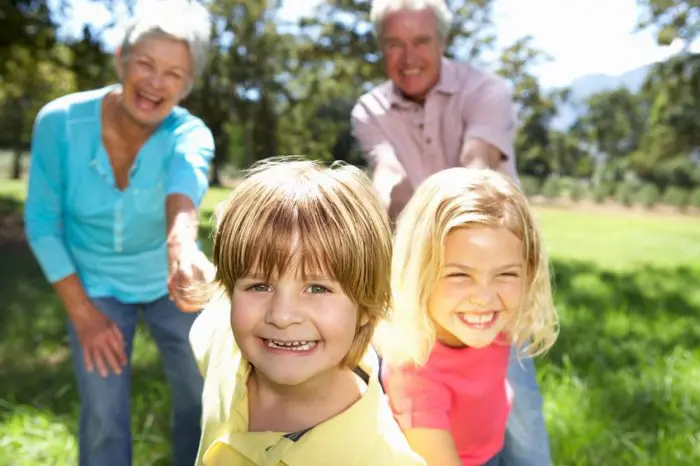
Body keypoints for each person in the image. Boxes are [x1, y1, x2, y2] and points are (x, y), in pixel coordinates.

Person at [351, 1, 553, 463]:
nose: (409, 57)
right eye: (394, 45)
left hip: (491, 257)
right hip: (433, 281)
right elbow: (386, 171)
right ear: (380, 49)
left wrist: (464, 217)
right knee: (424, 400)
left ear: (443, 42)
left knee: (517, 408)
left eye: (421, 41)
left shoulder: (488, 90)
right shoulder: (370, 109)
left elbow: (479, 160)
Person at [23, 2, 215, 465]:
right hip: (93, 285)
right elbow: (43, 223)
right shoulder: (60, 122)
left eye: (173, 73)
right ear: (120, 61)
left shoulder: (190, 135)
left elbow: (183, 195)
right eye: (145, 64)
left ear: (187, 86)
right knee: (105, 412)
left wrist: (181, 248)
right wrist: (83, 314)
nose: (154, 83)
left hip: (169, 282)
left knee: (202, 397)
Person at [187, 158, 426, 466]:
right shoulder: (223, 340)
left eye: (317, 289)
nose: (282, 316)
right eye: (260, 286)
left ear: (368, 306)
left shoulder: (381, 458)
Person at [375, 168, 559, 465]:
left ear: (529, 270)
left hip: (491, 448)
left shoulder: (496, 321)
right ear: (418, 273)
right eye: (459, 274)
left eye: (506, 274)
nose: (484, 298)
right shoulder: (414, 374)